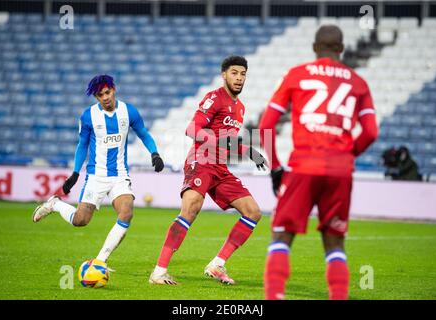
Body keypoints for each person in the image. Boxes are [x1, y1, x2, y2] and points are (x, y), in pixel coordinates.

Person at [259, 25, 378, 300]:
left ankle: (275, 296)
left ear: (314, 48)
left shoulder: (297, 74)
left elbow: (266, 125)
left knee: (282, 235)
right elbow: (371, 132)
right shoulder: (358, 83)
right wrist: (347, 155)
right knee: (335, 242)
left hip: (303, 166)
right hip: (340, 170)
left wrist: (276, 167)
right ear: (342, 49)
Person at [149, 56, 267, 285]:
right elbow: (192, 129)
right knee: (191, 209)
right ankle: (159, 272)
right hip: (201, 162)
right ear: (224, 75)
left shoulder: (240, 108)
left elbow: (228, 142)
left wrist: (250, 151)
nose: (239, 78)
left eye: (243, 74)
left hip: (220, 168)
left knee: (253, 212)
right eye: (234, 73)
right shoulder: (215, 97)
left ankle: (217, 264)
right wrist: (214, 140)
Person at [32, 75, 164, 266]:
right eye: (100, 95)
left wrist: (155, 154)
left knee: (126, 212)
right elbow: (82, 145)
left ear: (114, 90)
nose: (105, 97)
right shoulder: (88, 116)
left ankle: (100, 261)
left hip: (119, 175)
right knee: (80, 220)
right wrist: (76, 173)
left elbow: (143, 134)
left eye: (107, 92)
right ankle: (55, 204)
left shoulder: (129, 112)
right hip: (96, 176)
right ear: (96, 97)